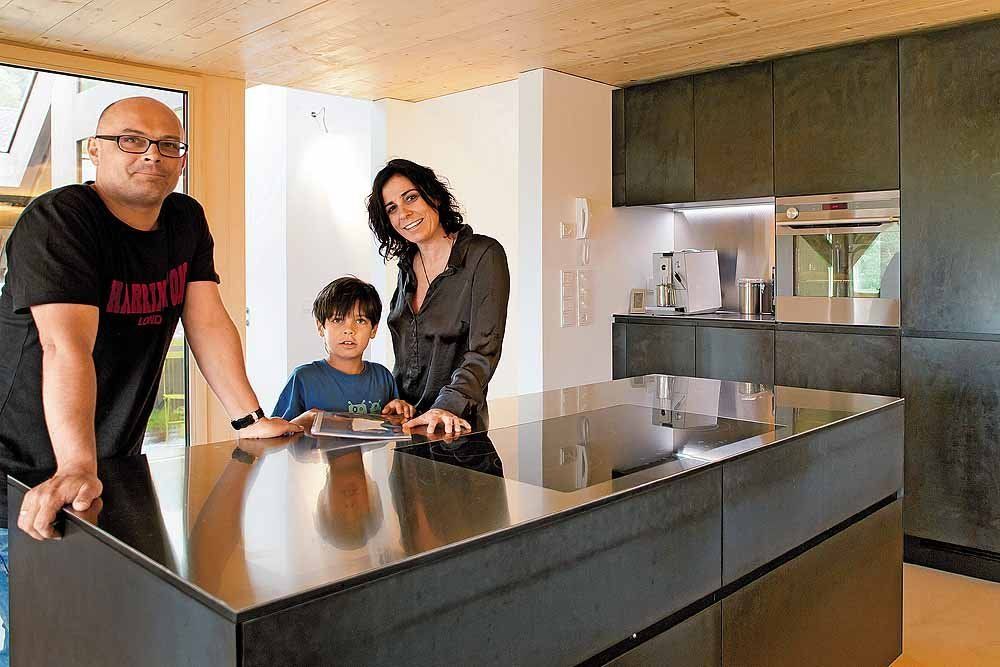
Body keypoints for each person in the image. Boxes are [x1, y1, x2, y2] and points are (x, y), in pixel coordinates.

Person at [0, 97, 301, 663]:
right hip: (19, 476)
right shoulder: (61, 219)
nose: (152, 155)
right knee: (37, 645)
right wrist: (75, 464)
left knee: (114, 635)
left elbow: (206, 320)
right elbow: (65, 345)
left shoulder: (185, 220)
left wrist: (248, 419)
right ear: (95, 150)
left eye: (168, 145)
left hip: (110, 472)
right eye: (131, 140)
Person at [366, 159, 510, 434]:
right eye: (392, 208)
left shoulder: (483, 255)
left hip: (454, 428)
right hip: (407, 428)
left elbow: (484, 351)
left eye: (411, 197)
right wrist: (395, 399)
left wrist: (446, 406)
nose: (404, 213)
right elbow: (407, 360)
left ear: (434, 196)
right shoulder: (406, 268)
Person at [271, 276, 414, 421]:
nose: (349, 330)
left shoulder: (383, 377)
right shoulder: (303, 379)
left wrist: (399, 410)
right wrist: (305, 421)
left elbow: (395, 425)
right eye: (338, 320)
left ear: (373, 330)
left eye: (360, 321)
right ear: (320, 327)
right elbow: (276, 431)